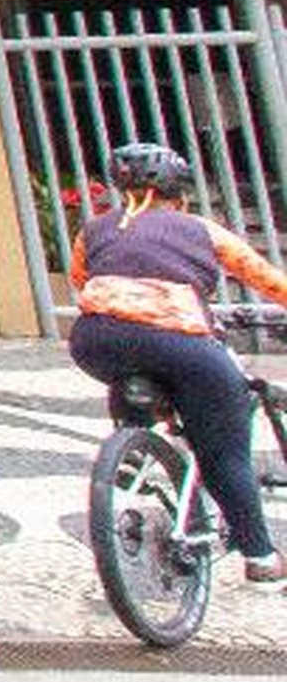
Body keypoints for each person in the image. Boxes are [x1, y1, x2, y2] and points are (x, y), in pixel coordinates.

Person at [68, 143, 287, 586]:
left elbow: (80, 281)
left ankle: (133, 438)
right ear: (180, 195)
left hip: (95, 340)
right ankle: (261, 556)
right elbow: (264, 278)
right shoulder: (200, 229)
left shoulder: (94, 230)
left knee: (136, 372)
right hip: (181, 344)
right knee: (225, 454)